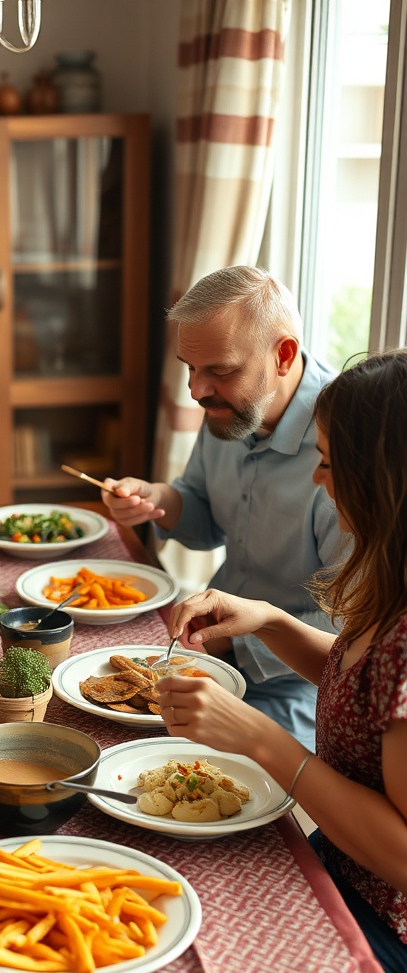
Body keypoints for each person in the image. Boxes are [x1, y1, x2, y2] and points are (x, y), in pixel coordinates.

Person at [155, 349, 407, 973]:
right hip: (339, 866)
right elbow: (363, 691)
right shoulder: (391, 582)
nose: (317, 480)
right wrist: (270, 620)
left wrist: (260, 739)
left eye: (328, 462)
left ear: (384, 481)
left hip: (385, 933)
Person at [100, 266, 342, 748]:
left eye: (220, 370)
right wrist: (158, 501)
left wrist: (235, 639)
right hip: (207, 652)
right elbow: (204, 516)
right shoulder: (232, 409)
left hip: (297, 687)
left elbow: (353, 631)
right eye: (190, 367)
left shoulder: (344, 445)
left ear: (283, 355)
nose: (196, 390)